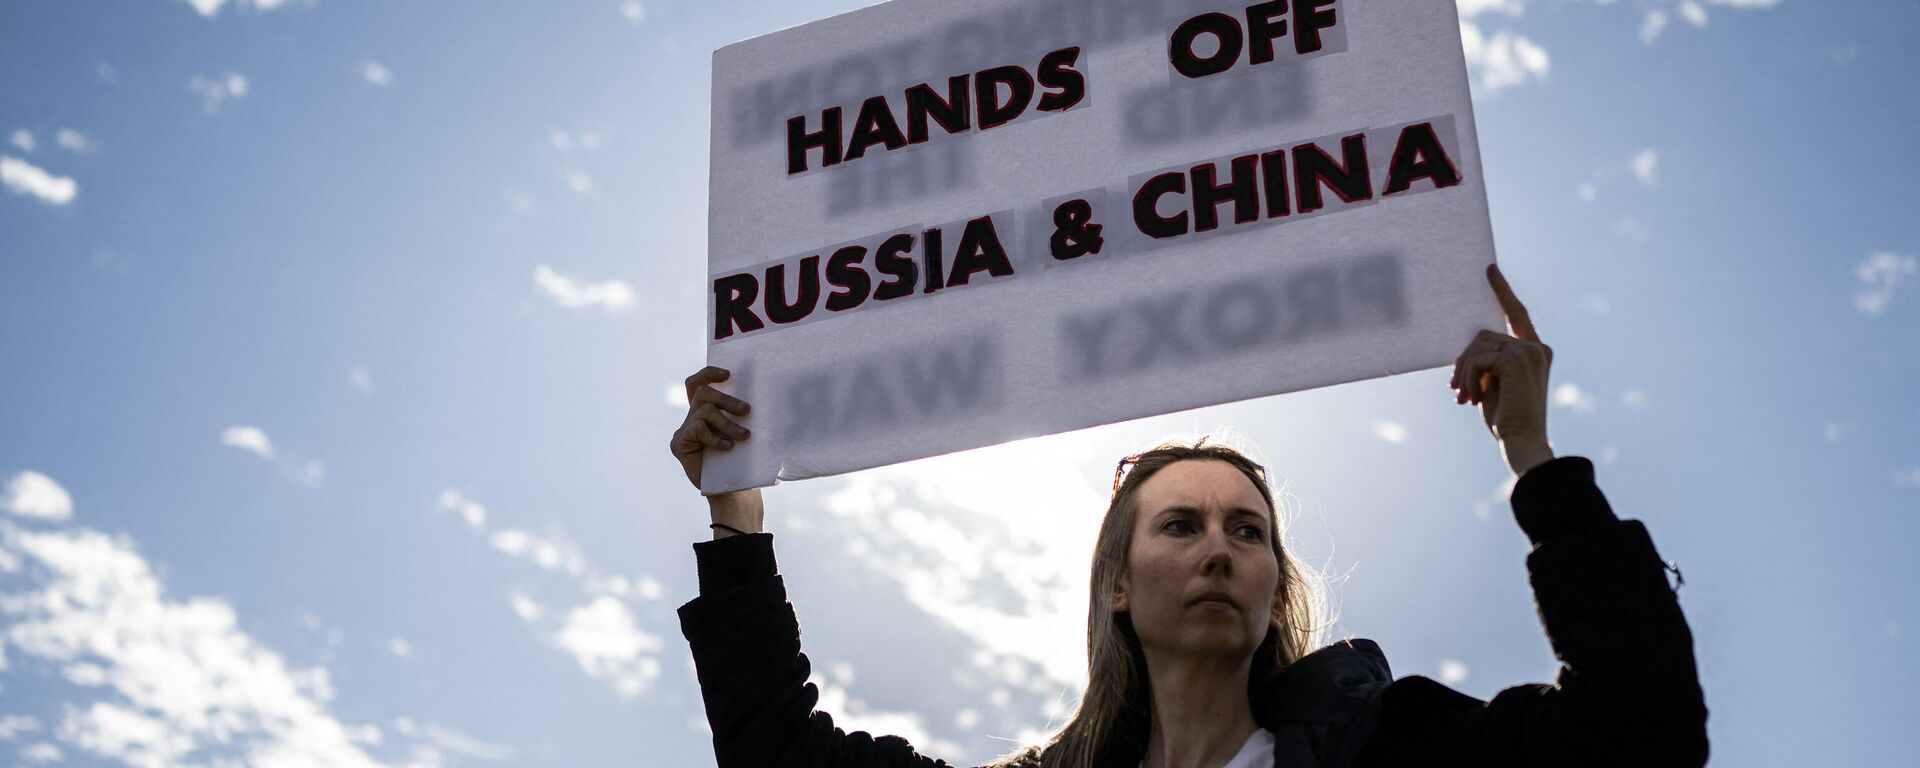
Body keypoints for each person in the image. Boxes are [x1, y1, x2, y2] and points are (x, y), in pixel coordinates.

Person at [671, 265, 1708, 768]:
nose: (1219, 547)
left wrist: (1533, 456)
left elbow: (1646, 730)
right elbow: (777, 757)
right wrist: (738, 519)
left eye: (1247, 532)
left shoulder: (1395, 748)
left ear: (1274, 586)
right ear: (1117, 584)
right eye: (1180, 526)